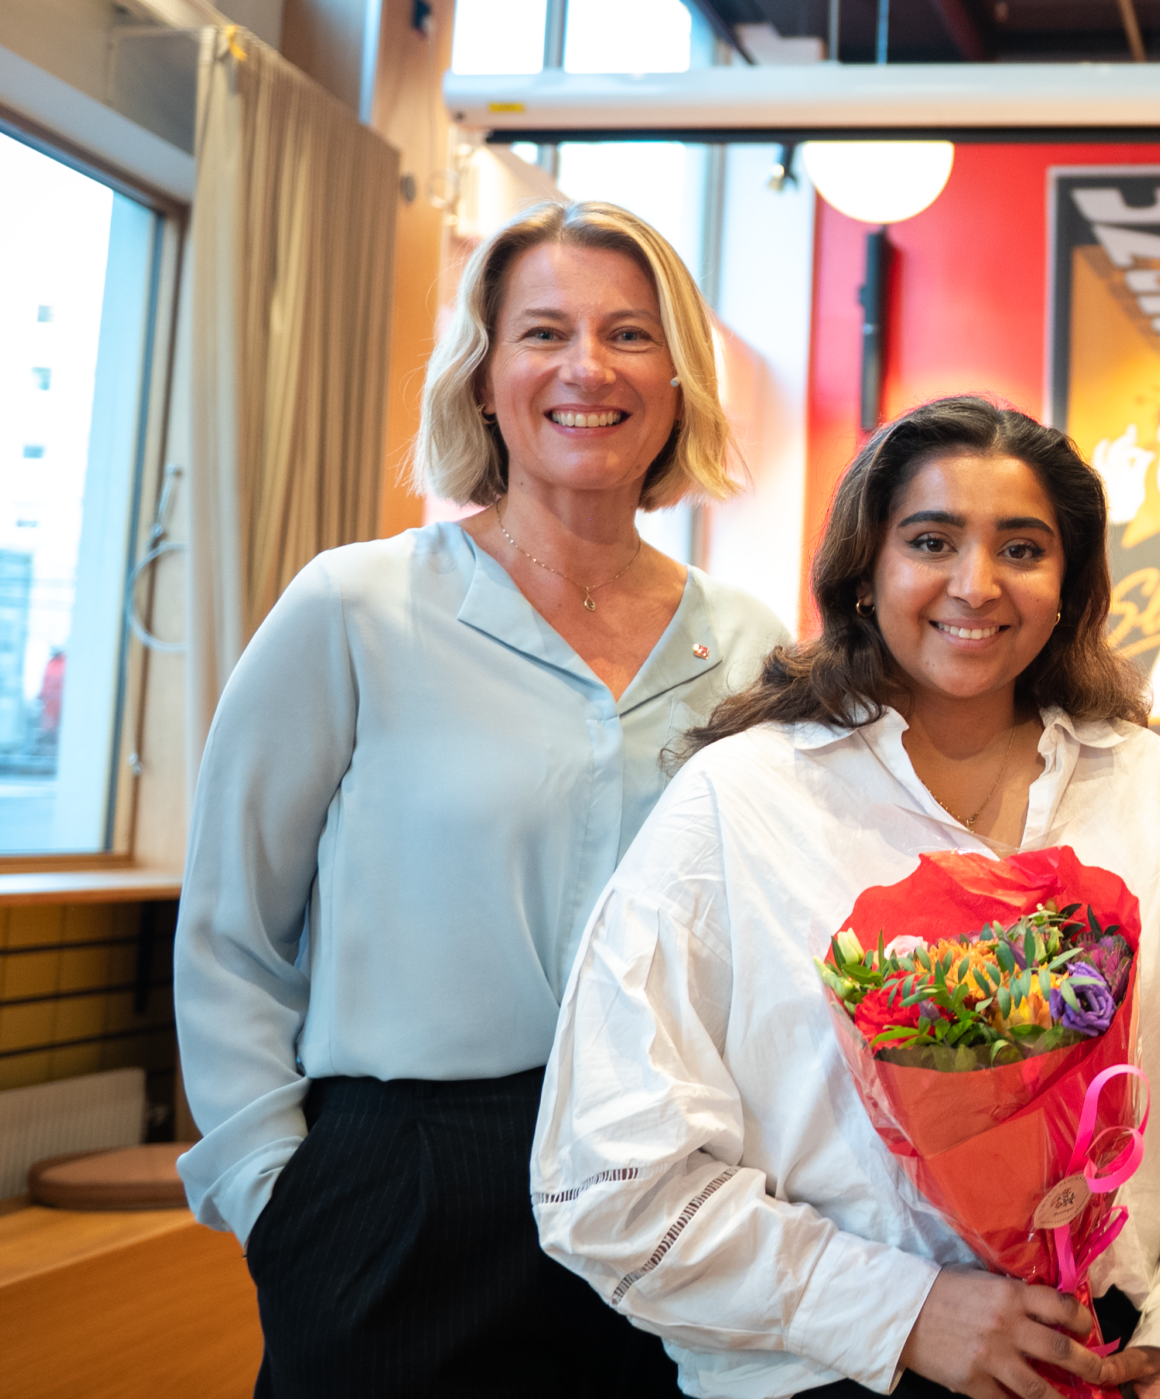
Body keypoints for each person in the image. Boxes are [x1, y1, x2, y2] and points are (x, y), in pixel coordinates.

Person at [532, 395, 1160, 1399]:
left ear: (1070, 585)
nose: (975, 585)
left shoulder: (1141, 784)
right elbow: (608, 1182)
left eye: (1022, 548)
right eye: (931, 540)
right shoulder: (741, 800)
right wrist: (903, 1311)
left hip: (1098, 1357)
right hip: (828, 1371)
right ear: (865, 572)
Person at [173, 200, 790, 1397]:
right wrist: (277, 1201)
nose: (587, 368)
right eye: (543, 332)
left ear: (676, 380)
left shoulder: (747, 642)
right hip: (402, 1183)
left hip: (671, 1179)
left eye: (629, 334)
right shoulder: (354, 608)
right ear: (483, 377)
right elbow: (230, 930)